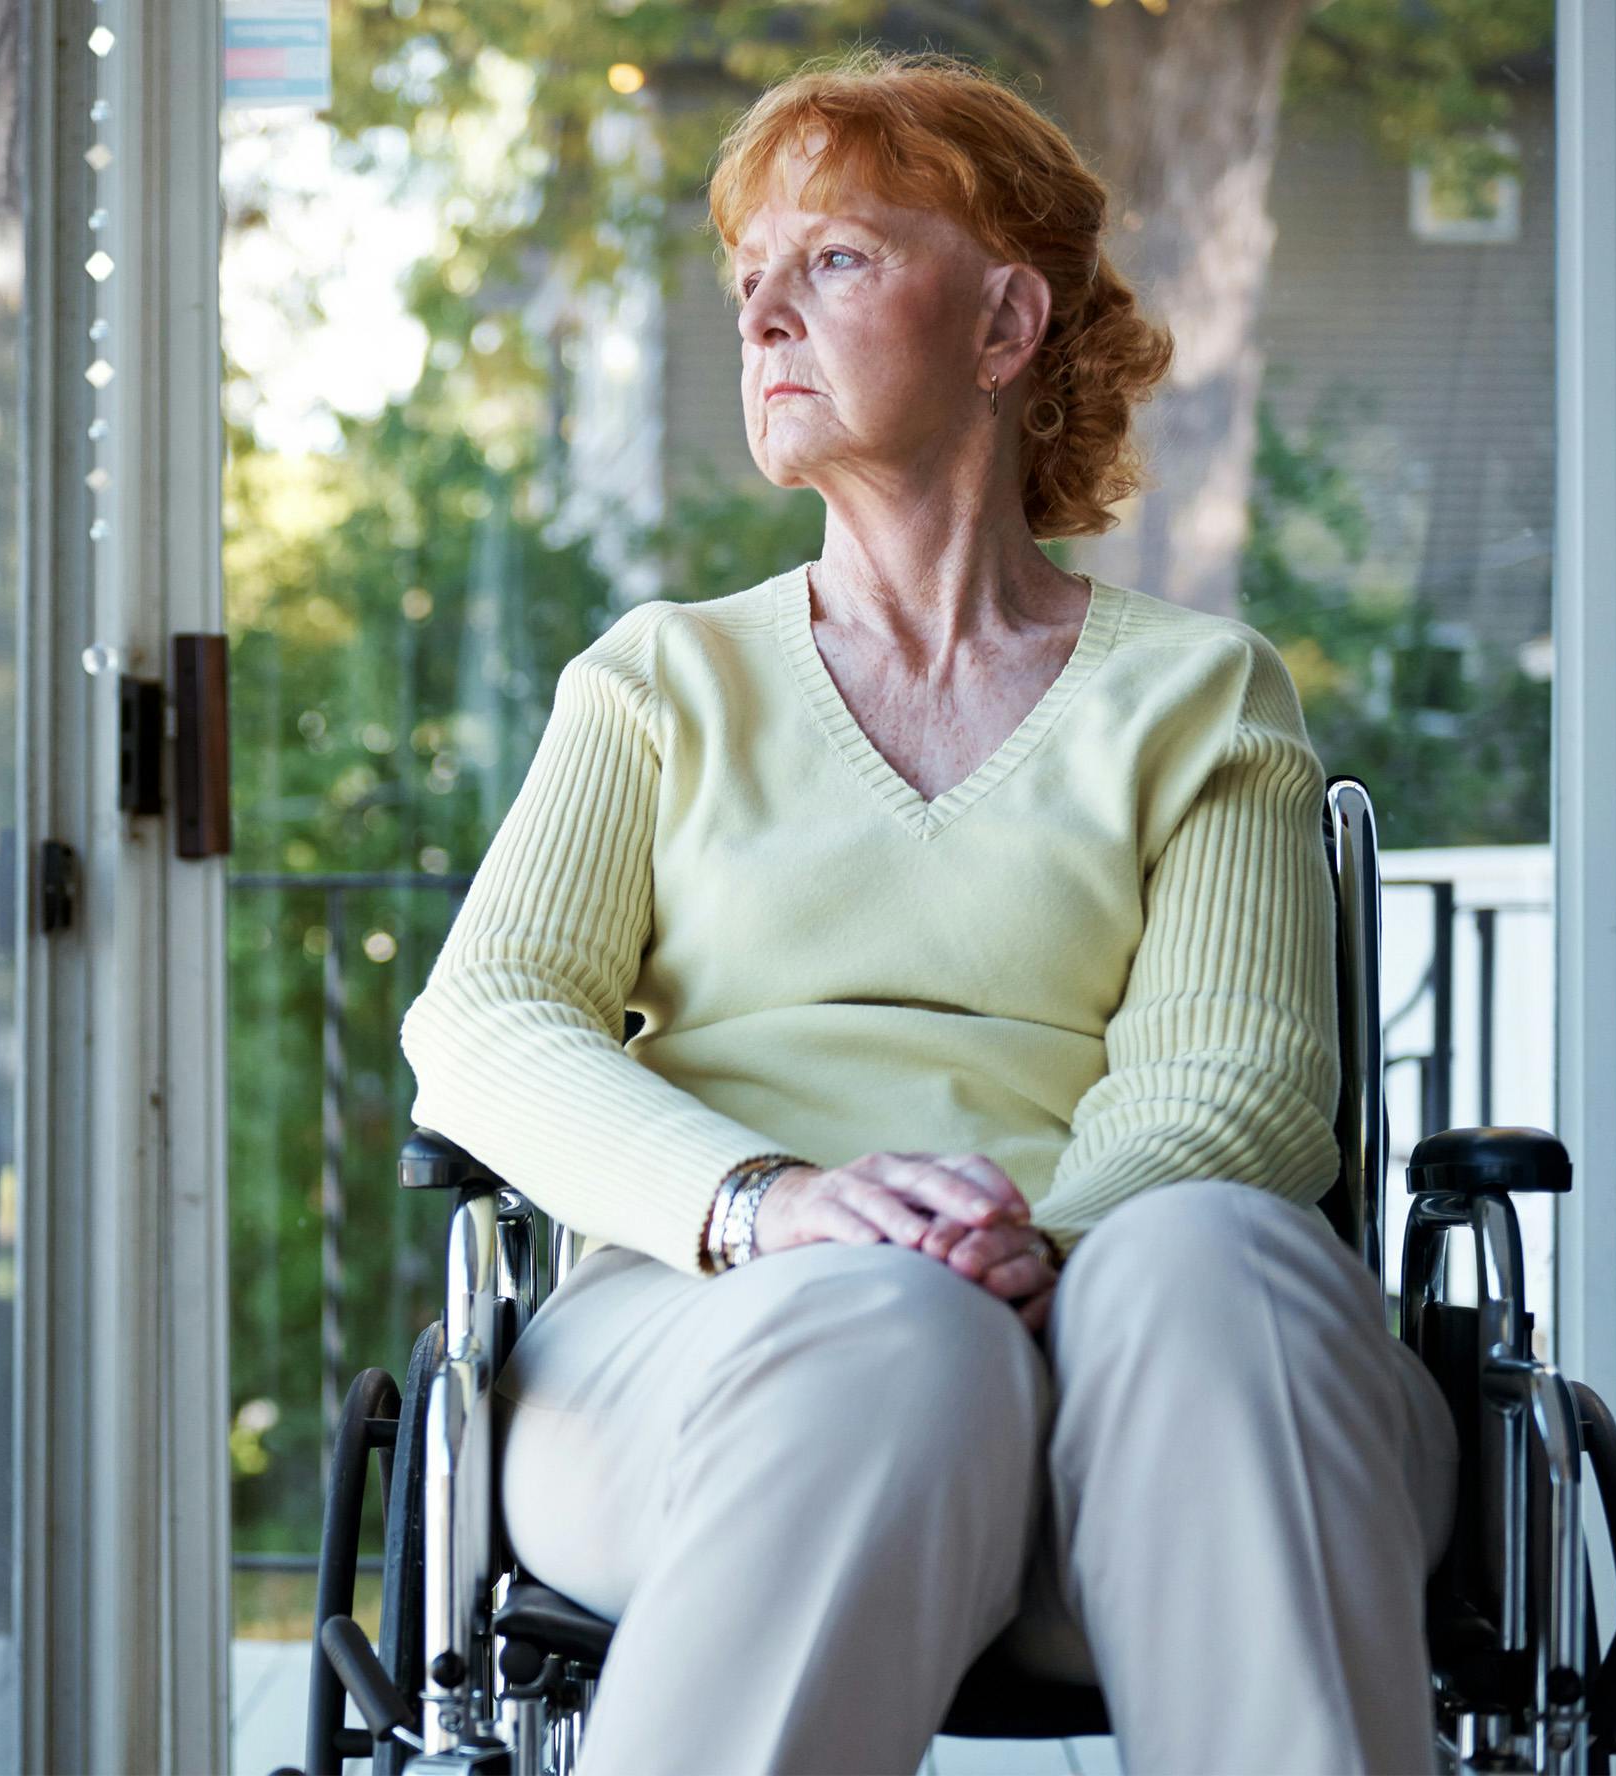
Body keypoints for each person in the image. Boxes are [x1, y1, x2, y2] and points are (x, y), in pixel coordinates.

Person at [399, 46, 1459, 1776]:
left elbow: (1238, 1086)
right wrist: (777, 1207)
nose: (758, 318)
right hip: (706, 1337)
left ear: (1003, 326)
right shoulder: (658, 683)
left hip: (1141, 1347)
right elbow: (488, 1023)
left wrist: (1021, 1249)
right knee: (886, 1330)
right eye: (748, 280)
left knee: (1213, 1253)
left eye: (832, 260)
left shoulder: (1200, 691)